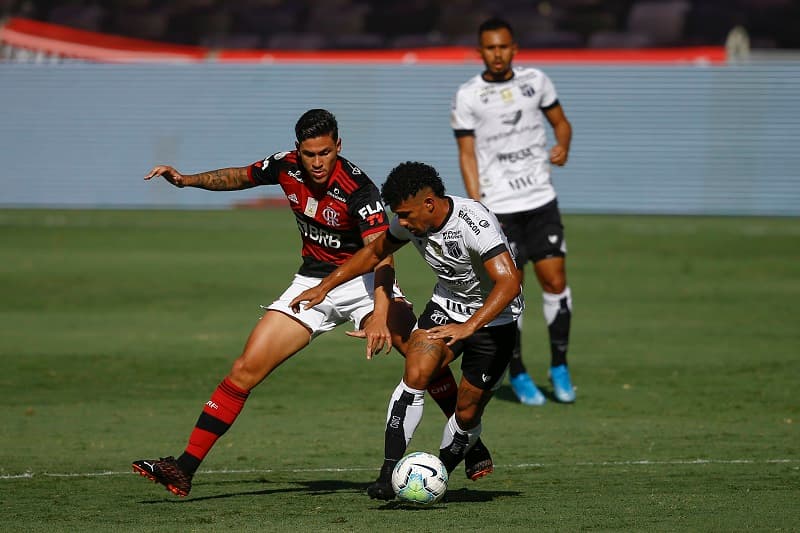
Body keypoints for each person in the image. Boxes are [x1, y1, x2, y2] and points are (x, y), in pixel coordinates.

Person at [131, 109, 492, 497]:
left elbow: (381, 256)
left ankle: (470, 444)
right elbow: (239, 176)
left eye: (325, 152)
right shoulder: (285, 166)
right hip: (311, 283)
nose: (318, 162)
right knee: (245, 369)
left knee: (420, 354)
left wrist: (381, 314)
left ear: (338, 145)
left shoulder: (359, 190)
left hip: (366, 282)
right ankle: (184, 468)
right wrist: (186, 181)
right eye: (309, 154)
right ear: (297, 151)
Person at [290, 161, 523, 500]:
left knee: (468, 411)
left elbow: (510, 282)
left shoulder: (475, 223)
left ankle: (437, 474)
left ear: (429, 203)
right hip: (446, 308)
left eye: (405, 214)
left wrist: (469, 327)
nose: (401, 223)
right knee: (415, 372)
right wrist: (325, 286)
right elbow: (373, 252)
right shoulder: (410, 223)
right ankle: (388, 473)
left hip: (495, 321)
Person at [450, 17, 576, 405]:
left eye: (503, 46)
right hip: (500, 208)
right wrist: (477, 204)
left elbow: (561, 123)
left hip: (540, 200)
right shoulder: (468, 96)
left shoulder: (535, 81)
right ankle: (518, 371)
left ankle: (559, 365)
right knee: (511, 290)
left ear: (514, 47)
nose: (497, 54)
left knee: (554, 282)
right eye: (490, 48)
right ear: (480, 52)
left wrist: (563, 145)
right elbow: (467, 152)